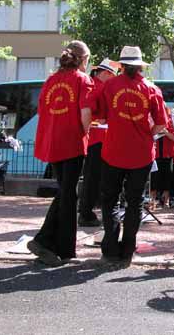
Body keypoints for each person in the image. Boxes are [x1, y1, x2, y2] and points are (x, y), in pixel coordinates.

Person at [98, 46, 167, 263]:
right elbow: (161, 124)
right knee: (135, 201)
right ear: (139, 66)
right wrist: (145, 134)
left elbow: (100, 118)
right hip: (141, 153)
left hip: (114, 151)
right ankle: (128, 250)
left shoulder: (109, 85)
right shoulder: (151, 88)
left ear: (122, 65)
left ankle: (110, 249)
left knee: (109, 201)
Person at [28, 41, 93, 266]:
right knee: (67, 193)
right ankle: (47, 242)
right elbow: (86, 113)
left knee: (66, 192)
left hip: (53, 143)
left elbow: (42, 111)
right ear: (83, 59)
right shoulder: (83, 80)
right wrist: (86, 132)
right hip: (72, 142)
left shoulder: (51, 80)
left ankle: (56, 245)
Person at [78, 58, 120, 227]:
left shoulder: (94, 85)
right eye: (112, 75)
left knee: (92, 177)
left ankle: (87, 211)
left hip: (96, 138)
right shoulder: (99, 87)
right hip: (99, 137)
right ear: (105, 73)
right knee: (94, 178)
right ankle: (86, 213)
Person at [150, 106, 174, 209]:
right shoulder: (152, 120)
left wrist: (165, 132)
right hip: (156, 153)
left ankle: (166, 200)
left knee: (167, 177)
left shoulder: (170, 121)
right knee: (155, 178)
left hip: (168, 154)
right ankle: (152, 200)